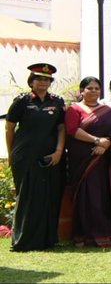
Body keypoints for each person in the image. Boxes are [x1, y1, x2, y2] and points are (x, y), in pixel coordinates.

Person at [5, 64, 67, 251]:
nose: (43, 82)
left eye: (47, 79)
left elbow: (61, 128)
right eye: (39, 79)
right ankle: (23, 241)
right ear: (31, 81)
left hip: (51, 156)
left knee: (49, 195)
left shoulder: (57, 102)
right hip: (25, 156)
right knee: (27, 196)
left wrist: (59, 151)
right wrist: (11, 154)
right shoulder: (22, 101)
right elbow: (9, 128)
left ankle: (47, 239)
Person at [66, 75, 111, 247]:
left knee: (103, 195)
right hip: (82, 159)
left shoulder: (108, 111)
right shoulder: (74, 109)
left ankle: (105, 231)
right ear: (82, 91)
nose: (93, 91)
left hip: (104, 161)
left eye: (96, 88)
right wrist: (97, 140)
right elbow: (72, 130)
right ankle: (84, 234)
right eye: (89, 88)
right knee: (86, 196)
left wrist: (106, 144)